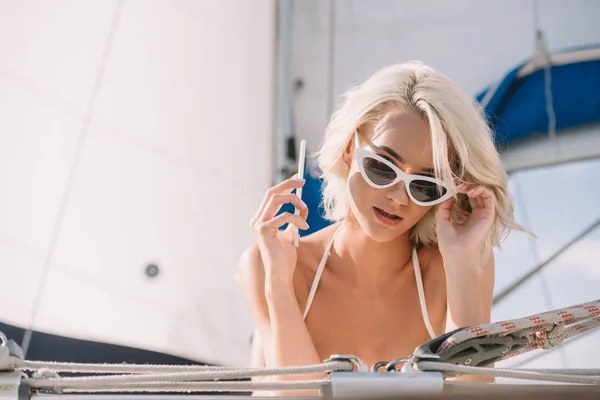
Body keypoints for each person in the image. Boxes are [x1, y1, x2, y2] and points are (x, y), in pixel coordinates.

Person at [238, 61, 523, 395]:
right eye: (382, 167)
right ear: (348, 149)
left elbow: (471, 394)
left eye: (425, 185)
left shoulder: (460, 266)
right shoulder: (269, 265)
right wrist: (278, 284)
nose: (399, 198)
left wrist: (462, 262)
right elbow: (296, 395)